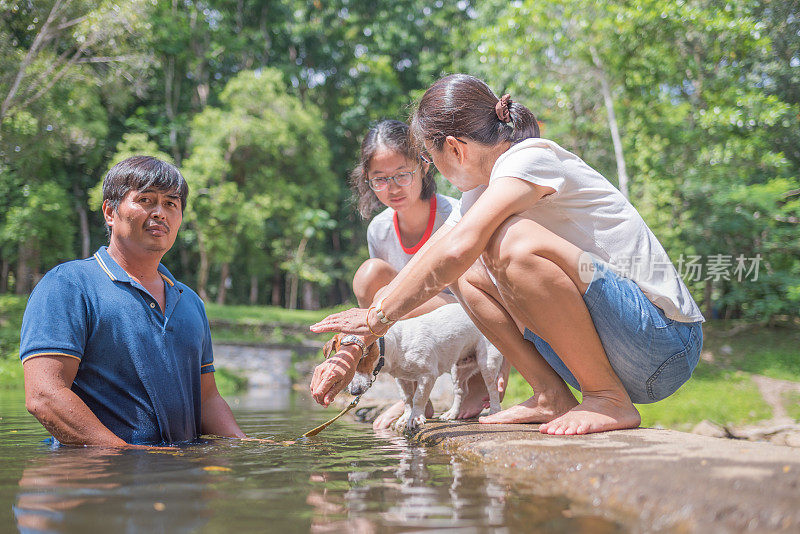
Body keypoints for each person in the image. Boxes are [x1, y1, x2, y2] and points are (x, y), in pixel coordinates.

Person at [311, 74, 704, 435]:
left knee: (513, 242)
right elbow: (436, 259)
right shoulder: (479, 192)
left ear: (454, 148)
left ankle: (608, 399)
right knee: (463, 272)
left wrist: (377, 318)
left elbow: (460, 247)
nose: (437, 172)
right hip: (619, 347)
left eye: (429, 160)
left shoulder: (531, 157)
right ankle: (551, 395)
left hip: (663, 343)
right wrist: (353, 347)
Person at [20, 156, 246, 447]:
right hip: (99, 481)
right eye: (146, 200)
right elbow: (44, 395)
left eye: (170, 204)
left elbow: (207, 399)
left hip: (182, 481)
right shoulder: (69, 284)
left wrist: (246, 445)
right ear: (110, 212)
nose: (160, 213)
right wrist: (125, 457)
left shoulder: (190, 301)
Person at [347, 119, 508, 428]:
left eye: (402, 175)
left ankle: (475, 385)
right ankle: (413, 398)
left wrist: (502, 361)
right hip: (408, 327)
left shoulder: (455, 213)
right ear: (366, 180)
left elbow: (491, 289)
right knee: (370, 276)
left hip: (463, 316)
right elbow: (382, 308)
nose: (392, 187)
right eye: (379, 179)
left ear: (424, 165)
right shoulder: (379, 230)